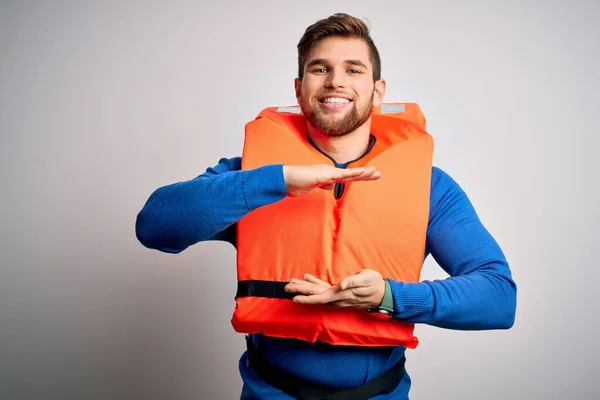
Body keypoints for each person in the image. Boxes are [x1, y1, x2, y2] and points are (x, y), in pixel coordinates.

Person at [135, 13, 517, 400]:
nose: (336, 81)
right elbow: (154, 227)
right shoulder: (252, 176)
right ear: (299, 90)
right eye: (321, 69)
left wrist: (388, 297)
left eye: (353, 70)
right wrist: (275, 182)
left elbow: (499, 298)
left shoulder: (430, 186)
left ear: (378, 91)